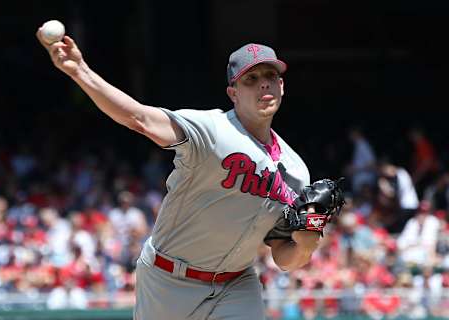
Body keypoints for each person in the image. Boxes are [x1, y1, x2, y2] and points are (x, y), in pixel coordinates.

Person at [37, 28, 325, 320]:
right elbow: (139, 118)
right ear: (233, 93)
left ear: (282, 86)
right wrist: (80, 71)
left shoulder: (296, 170)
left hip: (236, 284)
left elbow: (283, 255)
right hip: (167, 281)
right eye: (251, 79)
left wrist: (306, 243)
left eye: (270, 77)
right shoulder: (211, 130)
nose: (264, 85)